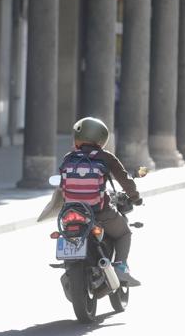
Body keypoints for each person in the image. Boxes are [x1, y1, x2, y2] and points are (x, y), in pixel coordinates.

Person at [59, 117, 141, 286]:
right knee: (124, 233)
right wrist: (135, 197)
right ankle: (120, 267)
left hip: (71, 212)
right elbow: (124, 180)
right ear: (101, 139)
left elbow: (63, 184)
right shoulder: (105, 157)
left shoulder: (69, 158)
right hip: (99, 212)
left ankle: (68, 264)